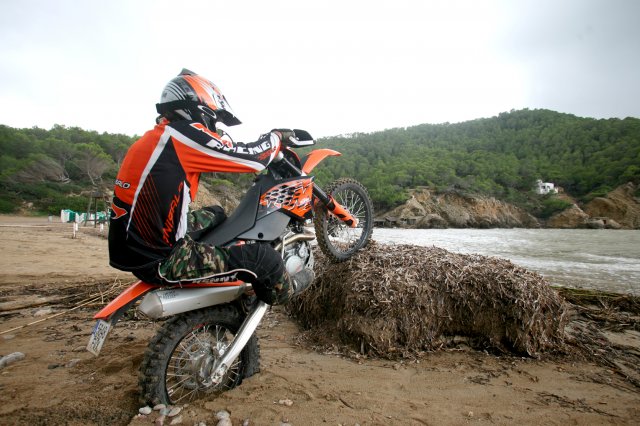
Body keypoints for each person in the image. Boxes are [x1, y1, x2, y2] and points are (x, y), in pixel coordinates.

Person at [108, 69, 314, 305]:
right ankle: (285, 287)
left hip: (135, 248)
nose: (213, 126)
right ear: (199, 108)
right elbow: (252, 159)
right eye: (213, 119)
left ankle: (220, 262)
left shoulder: (157, 138)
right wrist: (275, 138)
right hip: (161, 260)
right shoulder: (183, 136)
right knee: (263, 258)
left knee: (215, 213)